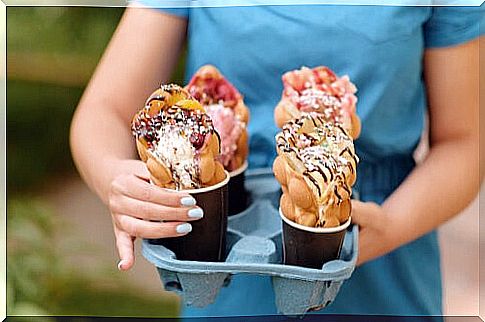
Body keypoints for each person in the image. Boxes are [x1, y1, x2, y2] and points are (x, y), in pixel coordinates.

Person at [70, 2, 484, 318]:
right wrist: (115, 177)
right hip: (224, 245)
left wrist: (392, 224)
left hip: (383, 239)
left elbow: (465, 143)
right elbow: (104, 110)